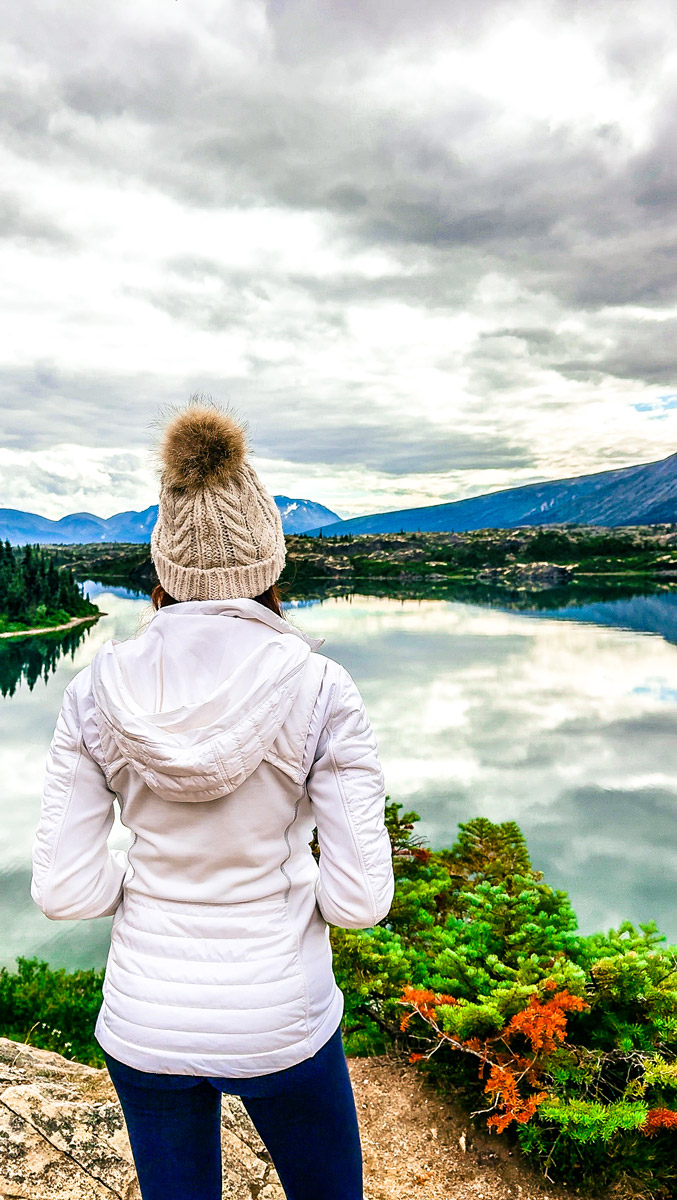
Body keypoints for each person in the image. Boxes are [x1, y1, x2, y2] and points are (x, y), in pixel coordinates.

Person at [30, 398, 395, 1200]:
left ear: (162, 571)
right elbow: (360, 899)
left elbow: (64, 890)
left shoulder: (94, 690)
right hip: (281, 1015)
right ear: (271, 567)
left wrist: (151, 889)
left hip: (144, 1017)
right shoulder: (322, 687)